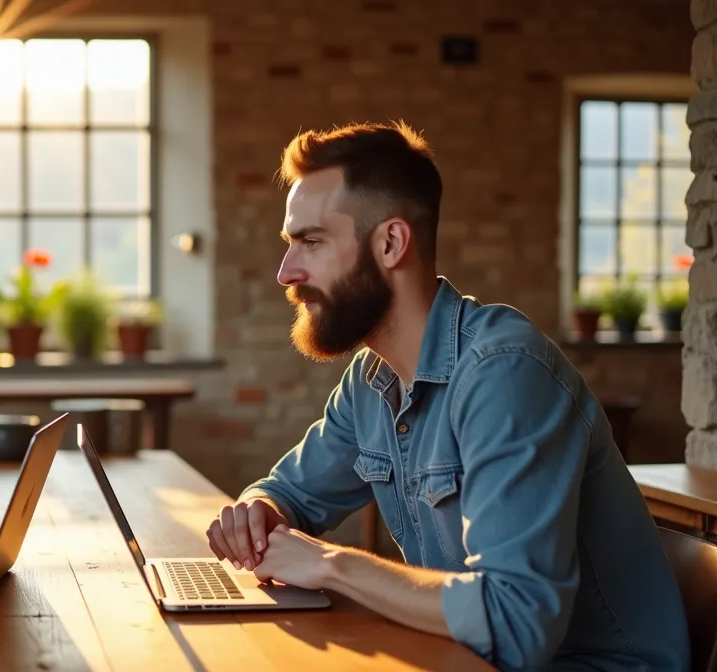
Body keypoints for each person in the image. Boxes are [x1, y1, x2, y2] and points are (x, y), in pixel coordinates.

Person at [205, 121, 688, 671]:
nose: (285, 272)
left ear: (391, 243)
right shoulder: (371, 379)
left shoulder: (505, 372)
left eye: (310, 242)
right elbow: (289, 492)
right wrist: (259, 513)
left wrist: (331, 565)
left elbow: (514, 626)